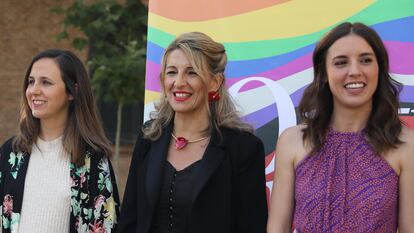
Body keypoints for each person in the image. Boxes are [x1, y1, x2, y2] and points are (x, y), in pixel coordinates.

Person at [267, 22, 414, 233]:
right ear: (324, 72)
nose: (354, 71)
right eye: (341, 62)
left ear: (379, 68)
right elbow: (277, 229)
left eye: (365, 60)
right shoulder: (293, 141)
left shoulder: (405, 145)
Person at [117, 32, 267, 233]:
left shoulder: (244, 149)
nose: (178, 82)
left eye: (192, 72)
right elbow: (129, 221)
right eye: (172, 72)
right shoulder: (148, 138)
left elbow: (251, 228)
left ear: (215, 82)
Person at [0, 49, 120, 233]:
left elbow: (106, 227)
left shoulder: (94, 161)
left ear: (72, 92)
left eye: (46, 82)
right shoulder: (11, 153)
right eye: (31, 82)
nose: (34, 90)